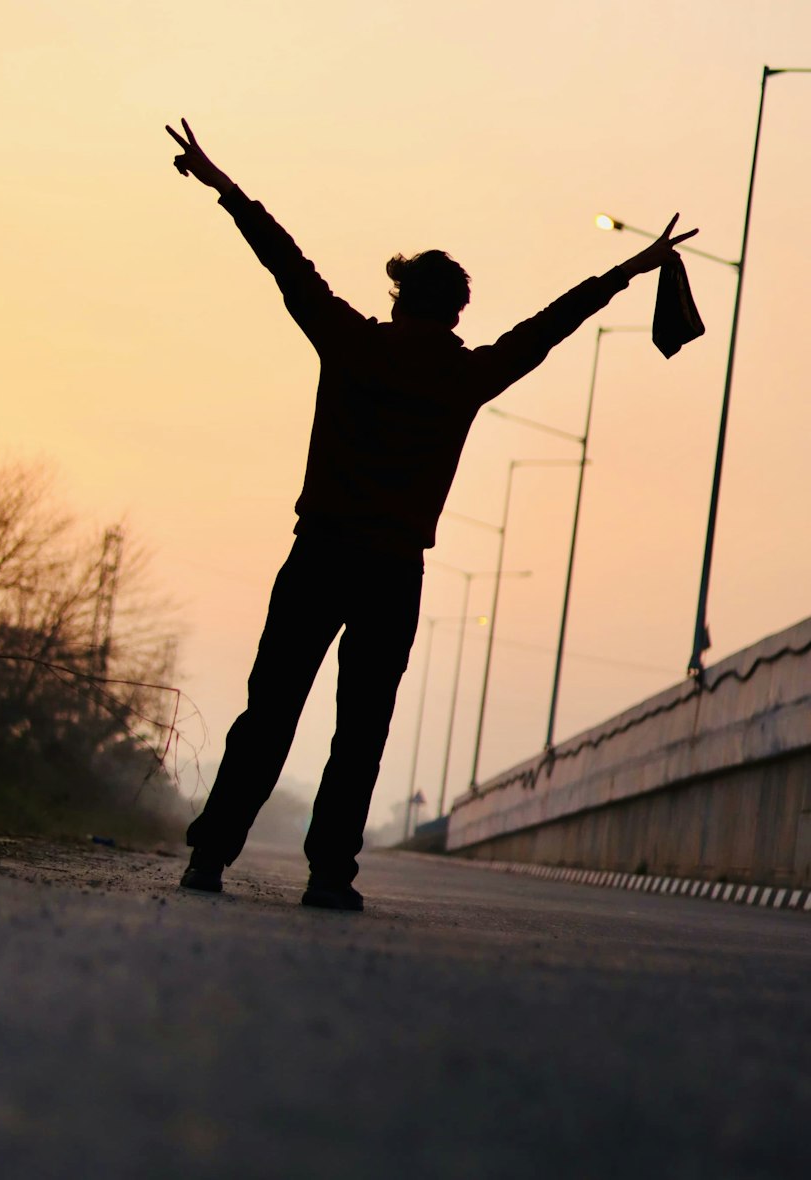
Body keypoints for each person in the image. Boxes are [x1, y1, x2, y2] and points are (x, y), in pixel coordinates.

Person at [166, 118, 697, 911]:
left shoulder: (349, 342)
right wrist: (633, 267)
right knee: (362, 730)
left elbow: (287, 263)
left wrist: (225, 187)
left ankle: (210, 858)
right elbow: (548, 327)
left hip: (318, 555)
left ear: (398, 297)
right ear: (456, 314)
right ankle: (328, 875)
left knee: (270, 710)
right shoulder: (467, 376)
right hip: (391, 572)